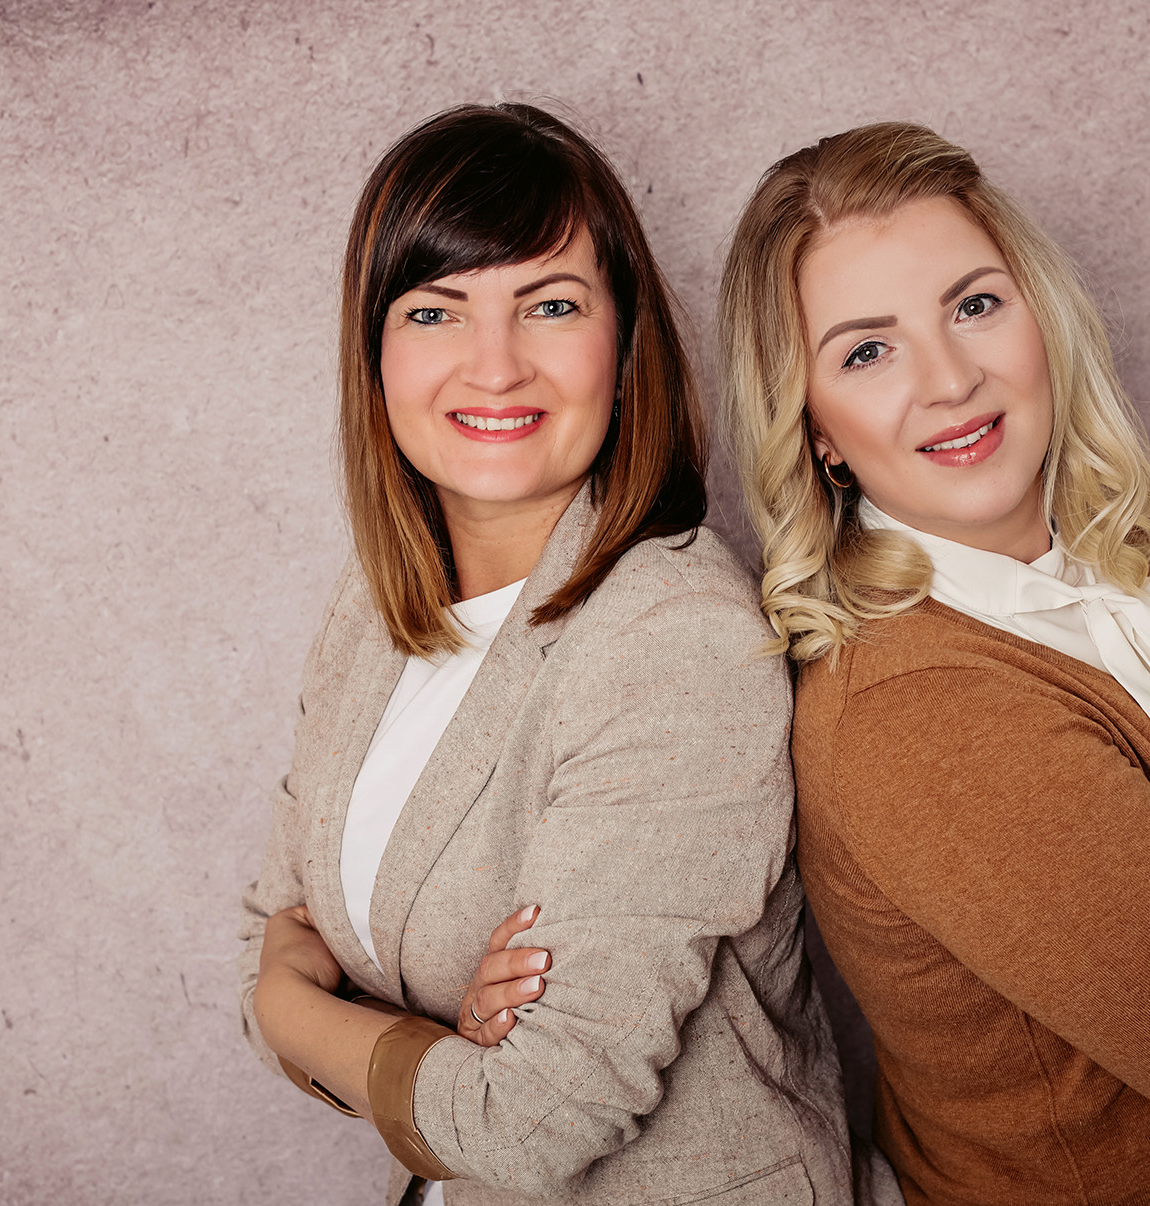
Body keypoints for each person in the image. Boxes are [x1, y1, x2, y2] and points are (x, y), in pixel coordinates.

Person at [718, 122, 1150, 1206]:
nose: (951, 379)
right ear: (813, 430)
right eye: (866, 351)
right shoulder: (916, 711)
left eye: (973, 305)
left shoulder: (1129, 555)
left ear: (1038, 312)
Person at [237, 104, 861, 1205]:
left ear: (624, 347)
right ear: (374, 355)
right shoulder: (373, 607)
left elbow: (529, 1121)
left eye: (552, 305)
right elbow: (270, 925)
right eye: (435, 311)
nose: (495, 367)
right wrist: (429, 1045)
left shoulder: (673, 637)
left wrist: (291, 1008)